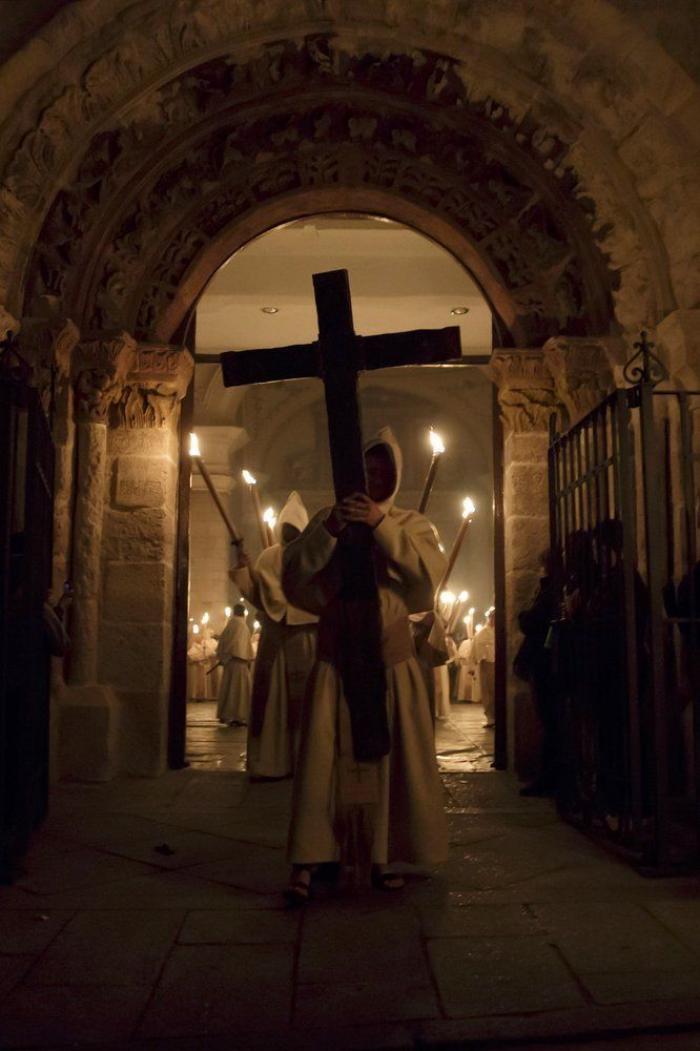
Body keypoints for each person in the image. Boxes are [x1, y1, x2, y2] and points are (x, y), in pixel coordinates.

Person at [281, 427, 449, 904]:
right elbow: (293, 576)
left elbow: (427, 579)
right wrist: (331, 531)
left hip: (389, 658)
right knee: (323, 758)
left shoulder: (412, 523)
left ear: (395, 476)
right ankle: (313, 856)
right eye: (366, 470)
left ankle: (383, 854)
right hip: (338, 655)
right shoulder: (326, 518)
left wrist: (381, 526)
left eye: (382, 471)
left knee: (391, 759)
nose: (373, 478)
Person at [230, 491, 318, 779]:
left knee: (306, 703)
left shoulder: (313, 557)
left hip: (305, 638)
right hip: (274, 640)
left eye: (295, 528)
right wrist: (244, 569)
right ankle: (270, 762)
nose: (291, 532)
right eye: (287, 527)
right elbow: (258, 595)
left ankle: (302, 761)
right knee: (271, 703)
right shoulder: (268, 557)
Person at [516, 548, 564, 796]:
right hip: (547, 660)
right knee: (550, 720)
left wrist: (523, 615)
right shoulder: (553, 588)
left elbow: (531, 621)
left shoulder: (551, 590)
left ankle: (550, 777)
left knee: (551, 721)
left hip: (547, 661)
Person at [216, 603, 254, 726]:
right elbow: (236, 643)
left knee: (231, 689)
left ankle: (229, 714)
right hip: (239, 662)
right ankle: (237, 715)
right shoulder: (242, 626)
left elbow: (224, 642)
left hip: (232, 662)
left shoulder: (232, 624)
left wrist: (224, 657)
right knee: (239, 691)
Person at [472, 608, 496, 727]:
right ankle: (490, 717)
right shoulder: (483, 632)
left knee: (495, 690)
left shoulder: (498, 631)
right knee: (488, 690)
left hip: (496, 662)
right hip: (487, 663)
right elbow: (477, 647)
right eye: (493, 617)